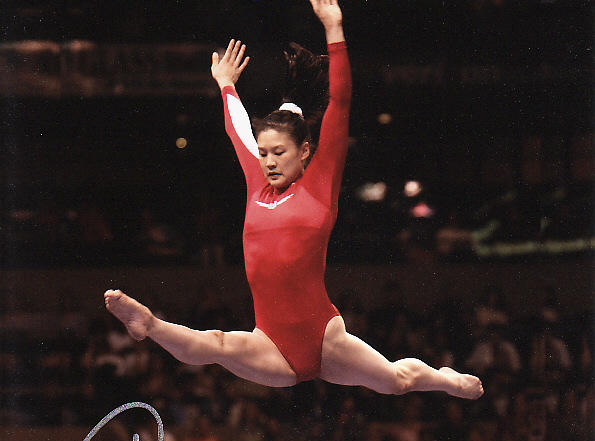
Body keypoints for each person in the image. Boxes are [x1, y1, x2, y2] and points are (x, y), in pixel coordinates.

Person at [104, 0, 483, 402]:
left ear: (303, 151)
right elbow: (237, 130)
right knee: (215, 344)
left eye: (278, 153)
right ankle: (149, 325)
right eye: (263, 153)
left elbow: (340, 103)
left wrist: (334, 29)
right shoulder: (257, 183)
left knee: (396, 382)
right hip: (270, 343)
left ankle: (444, 378)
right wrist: (226, 85)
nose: (267, 162)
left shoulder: (319, 185)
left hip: (324, 338)